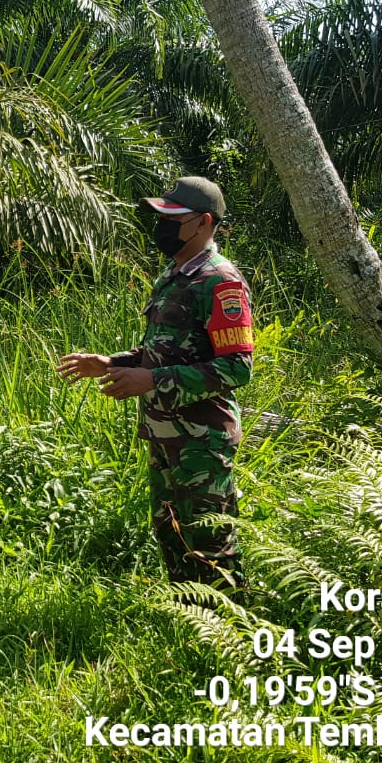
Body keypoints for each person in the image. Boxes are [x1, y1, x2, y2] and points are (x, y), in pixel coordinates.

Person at [57, 177, 253, 589]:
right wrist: (111, 362)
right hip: (165, 436)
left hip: (201, 439)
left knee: (210, 544)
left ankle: (230, 637)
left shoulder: (221, 282)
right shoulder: (174, 275)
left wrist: (152, 380)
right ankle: (190, 623)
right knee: (171, 534)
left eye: (171, 218)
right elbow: (169, 350)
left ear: (202, 222)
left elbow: (237, 367)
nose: (160, 227)